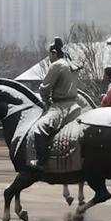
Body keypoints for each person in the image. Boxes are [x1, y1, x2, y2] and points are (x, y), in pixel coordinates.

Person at [30, 37, 81, 169]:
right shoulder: (71, 64)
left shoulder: (57, 65)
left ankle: (42, 161)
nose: (49, 58)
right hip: (75, 105)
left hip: (60, 107)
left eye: (49, 55)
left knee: (40, 128)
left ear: (54, 53)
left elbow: (44, 88)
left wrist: (47, 102)